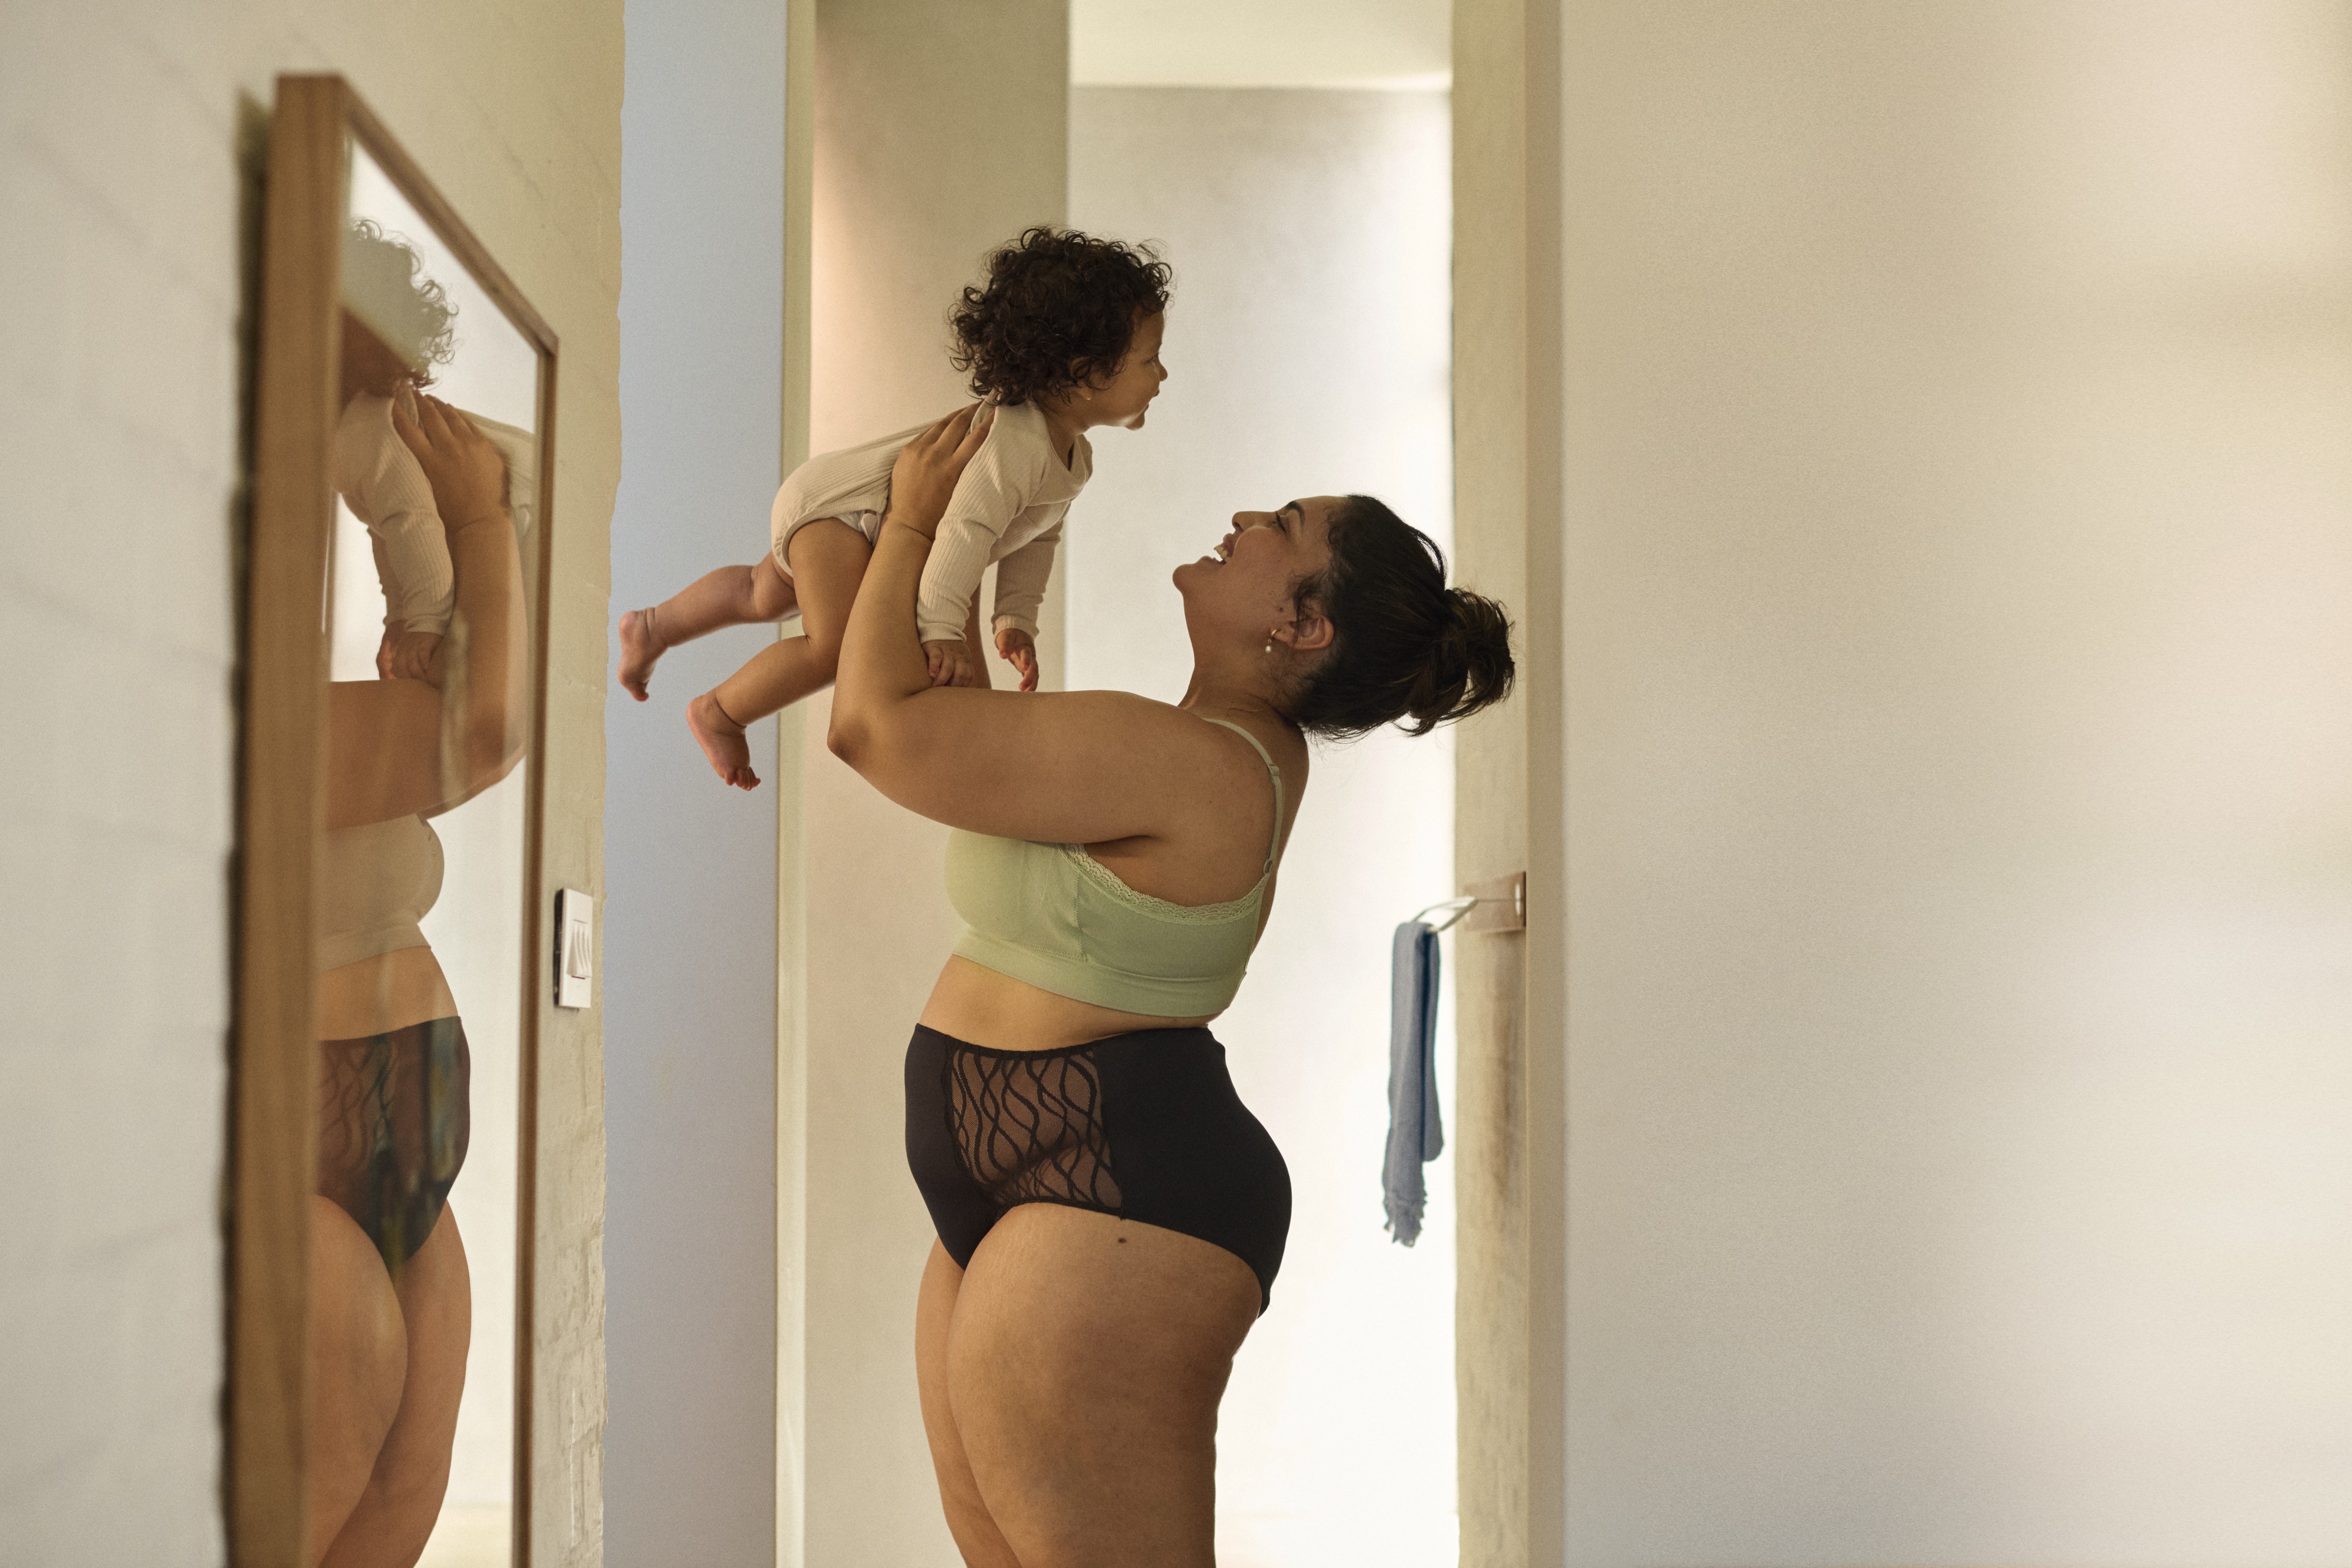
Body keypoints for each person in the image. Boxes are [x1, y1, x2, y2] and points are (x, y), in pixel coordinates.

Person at [827, 410, 1516, 1565]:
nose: (1246, 520)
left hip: (1115, 1185)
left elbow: (871, 727)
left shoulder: (1197, 761)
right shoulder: (1190, 743)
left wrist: (907, 520)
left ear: (1300, 622)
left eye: (1280, 529)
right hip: (1031, 1182)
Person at [614, 227, 1172, 789]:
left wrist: (1015, 619)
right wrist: (941, 630)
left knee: (761, 592)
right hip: (849, 513)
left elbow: (1037, 536)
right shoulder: (1018, 443)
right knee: (833, 648)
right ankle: (719, 711)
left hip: (837, 503)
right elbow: (965, 531)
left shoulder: (1072, 457)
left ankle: (653, 625)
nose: (1162, 376)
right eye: (1151, 360)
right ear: (1086, 375)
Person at [309, 393, 526, 1567]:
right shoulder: (268, 728)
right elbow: (483, 737)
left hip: (410, 1164)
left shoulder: (349, 715)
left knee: (400, 1508)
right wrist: (482, 520)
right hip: (316, 1146)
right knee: (310, 1508)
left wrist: (423, 608)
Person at [336, 218, 462, 683]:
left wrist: (425, 621)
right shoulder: (354, 430)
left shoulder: (369, 428)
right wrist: (398, 617)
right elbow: (386, 528)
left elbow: (412, 521)